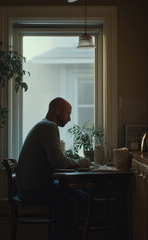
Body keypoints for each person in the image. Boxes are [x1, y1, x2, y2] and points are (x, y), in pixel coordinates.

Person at [16, 97, 91, 239]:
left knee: (78, 195)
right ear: (58, 111)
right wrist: (81, 162)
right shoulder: (49, 127)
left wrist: (73, 162)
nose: (69, 119)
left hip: (29, 187)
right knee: (72, 199)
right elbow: (57, 161)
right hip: (33, 190)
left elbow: (56, 160)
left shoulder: (43, 125)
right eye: (68, 113)